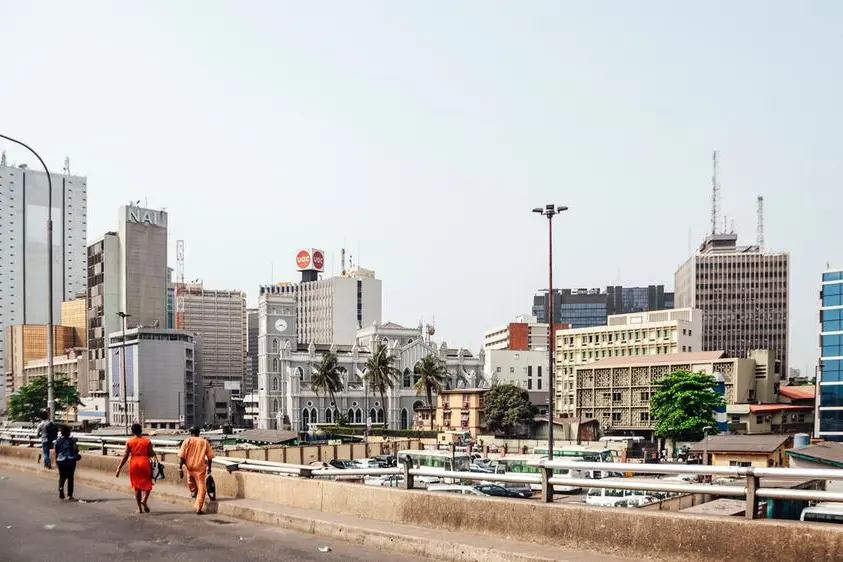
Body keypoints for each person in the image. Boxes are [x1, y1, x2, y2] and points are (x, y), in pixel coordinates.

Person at [115, 423, 157, 514]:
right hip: (145, 462)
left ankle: (139, 508)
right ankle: (144, 499)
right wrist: (153, 453)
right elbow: (151, 453)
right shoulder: (147, 441)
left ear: (132, 431)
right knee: (148, 483)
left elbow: (125, 455)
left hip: (134, 463)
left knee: (137, 486)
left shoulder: (129, 441)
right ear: (141, 430)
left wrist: (119, 468)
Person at [178, 426, 215, 515]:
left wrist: (180, 468)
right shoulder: (204, 442)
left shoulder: (187, 441)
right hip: (199, 468)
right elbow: (210, 457)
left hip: (189, 467)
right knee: (202, 488)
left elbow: (182, 456)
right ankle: (198, 507)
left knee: (190, 482)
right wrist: (209, 467)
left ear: (191, 433)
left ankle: (194, 492)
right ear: (199, 433)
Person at [54, 425, 79, 500]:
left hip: (61, 460)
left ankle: (61, 487)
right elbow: (75, 449)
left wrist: (56, 460)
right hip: (71, 460)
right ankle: (70, 495)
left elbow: (56, 451)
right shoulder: (72, 440)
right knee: (70, 477)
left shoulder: (57, 441)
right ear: (68, 433)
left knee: (62, 476)